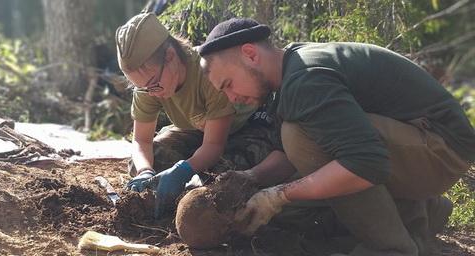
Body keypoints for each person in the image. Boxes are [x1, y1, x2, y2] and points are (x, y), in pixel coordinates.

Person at [197, 18, 475, 255]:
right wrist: (252, 178)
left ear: (250, 54)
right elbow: (288, 157)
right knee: (297, 200)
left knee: (300, 139)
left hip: (442, 150)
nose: (232, 99)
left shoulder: (305, 78)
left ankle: (391, 247)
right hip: (419, 146)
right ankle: (422, 212)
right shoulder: (290, 73)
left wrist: (278, 196)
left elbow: (366, 163)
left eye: (229, 84)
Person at [115, 13, 280, 218]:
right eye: (142, 88)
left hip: (244, 127)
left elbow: (213, 145)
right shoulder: (148, 86)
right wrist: (145, 172)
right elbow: (141, 140)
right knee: (149, 160)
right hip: (197, 130)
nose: (151, 93)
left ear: (170, 56)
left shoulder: (209, 71)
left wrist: (184, 169)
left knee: (223, 175)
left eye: (153, 85)